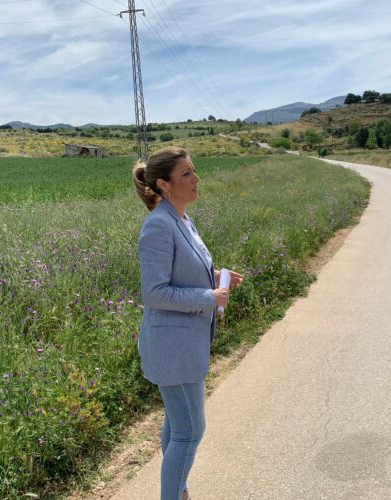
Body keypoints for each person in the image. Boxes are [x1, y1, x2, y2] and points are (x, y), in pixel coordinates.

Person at [132, 146, 243, 500]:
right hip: (172, 350)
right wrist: (208, 298)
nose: (197, 179)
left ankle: (177, 491)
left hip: (185, 346)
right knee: (190, 432)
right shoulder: (158, 227)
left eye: (194, 171)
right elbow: (156, 293)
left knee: (177, 426)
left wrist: (217, 277)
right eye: (187, 175)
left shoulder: (182, 220)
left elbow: (184, 272)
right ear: (165, 184)